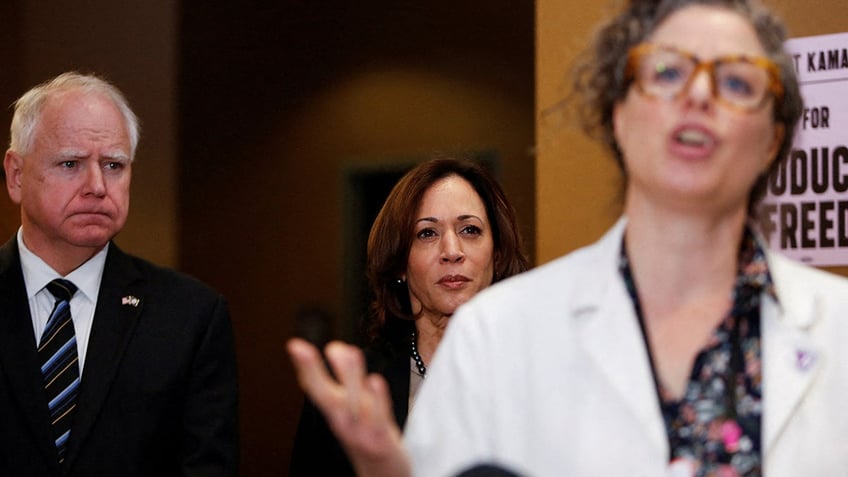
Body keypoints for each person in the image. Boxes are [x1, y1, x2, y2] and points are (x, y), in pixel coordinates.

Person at [288, 0, 848, 475]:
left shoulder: (839, 328)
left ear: (774, 138)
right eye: (668, 73)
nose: (699, 96)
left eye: (736, 81)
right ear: (618, 116)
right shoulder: (494, 334)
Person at [0, 72, 239, 476]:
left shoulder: (190, 316)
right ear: (16, 175)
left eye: (114, 165)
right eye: (70, 163)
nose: (97, 186)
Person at [288, 156, 529, 475]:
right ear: (401, 262)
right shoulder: (349, 392)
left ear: (496, 255)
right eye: (427, 234)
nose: (452, 250)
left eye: (470, 230)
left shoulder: (542, 375)